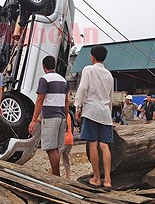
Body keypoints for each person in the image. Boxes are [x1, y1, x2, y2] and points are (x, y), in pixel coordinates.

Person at [74, 45, 113, 191]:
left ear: (92, 57)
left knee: (93, 144)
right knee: (104, 145)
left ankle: (97, 178)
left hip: (91, 111)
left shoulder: (88, 70)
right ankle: (108, 180)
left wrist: (78, 106)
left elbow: (83, 88)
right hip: (105, 113)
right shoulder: (109, 74)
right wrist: (108, 113)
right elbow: (110, 96)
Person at [28, 56, 69, 176]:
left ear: (43, 66)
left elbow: (40, 99)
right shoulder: (63, 80)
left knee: (51, 148)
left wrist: (34, 120)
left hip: (50, 117)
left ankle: (56, 176)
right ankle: (56, 175)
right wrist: (65, 118)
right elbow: (66, 101)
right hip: (61, 116)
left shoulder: (44, 79)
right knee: (56, 148)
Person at [60, 113, 74, 179]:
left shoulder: (60, 114)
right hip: (70, 139)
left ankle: (52, 174)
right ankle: (68, 177)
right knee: (66, 158)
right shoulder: (68, 114)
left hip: (63, 140)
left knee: (55, 157)